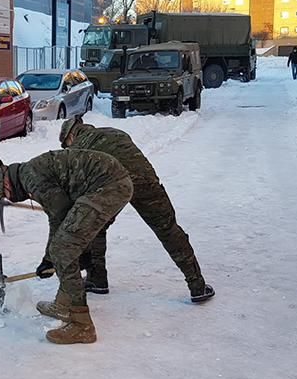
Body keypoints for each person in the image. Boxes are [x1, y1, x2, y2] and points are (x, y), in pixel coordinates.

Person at [0, 150, 134, 345]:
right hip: (110, 184)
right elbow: (62, 217)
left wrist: (52, 258)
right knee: (66, 246)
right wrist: (49, 259)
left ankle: (82, 324)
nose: (9, 199)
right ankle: (63, 305)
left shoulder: (32, 177)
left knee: (64, 250)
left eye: (4, 194)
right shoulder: (30, 174)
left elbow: (60, 215)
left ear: (5, 182)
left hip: (106, 187)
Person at [58, 117, 214, 302]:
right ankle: (197, 286)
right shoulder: (114, 132)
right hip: (145, 181)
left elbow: (76, 187)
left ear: (70, 136)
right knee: (168, 230)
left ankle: (97, 279)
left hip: (113, 187)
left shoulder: (78, 149)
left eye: (65, 144)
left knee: (96, 228)